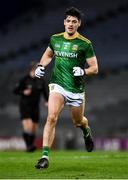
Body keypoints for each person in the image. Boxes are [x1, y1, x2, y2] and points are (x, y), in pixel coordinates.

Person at [35, 7, 98, 169]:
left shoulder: (85, 44)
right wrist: (40, 66)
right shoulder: (55, 39)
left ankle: (86, 131)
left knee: (78, 122)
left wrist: (83, 71)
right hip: (58, 85)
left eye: (74, 22)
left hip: (76, 89)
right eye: (68, 21)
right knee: (51, 117)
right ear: (64, 22)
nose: (70, 24)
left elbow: (95, 68)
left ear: (79, 24)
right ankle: (44, 156)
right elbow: (48, 55)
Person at [13, 62, 48, 152]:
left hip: (35, 107)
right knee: (28, 125)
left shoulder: (41, 80)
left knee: (33, 128)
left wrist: (47, 101)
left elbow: (45, 92)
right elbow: (15, 90)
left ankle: (30, 145)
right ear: (33, 69)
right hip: (25, 106)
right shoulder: (24, 80)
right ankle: (28, 146)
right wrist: (23, 92)